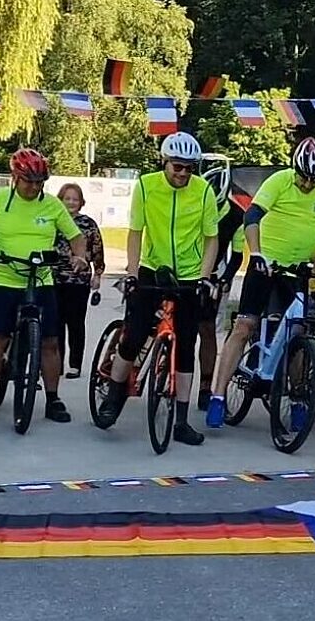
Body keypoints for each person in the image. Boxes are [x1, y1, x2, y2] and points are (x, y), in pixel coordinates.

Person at [206, 137, 315, 429]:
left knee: (296, 333)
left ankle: (297, 399)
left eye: (313, 180)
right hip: (266, 263)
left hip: (298, 270)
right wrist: (256, 253)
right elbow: (253, 216)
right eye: (303, 178)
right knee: (244, 326)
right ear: (295, 170)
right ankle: (217, 396)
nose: (307, 184)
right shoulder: (280, 181)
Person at [96, 132, 218, 445]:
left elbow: (210, 239)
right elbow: (135, 232)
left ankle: (181, 420)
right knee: (134, 337)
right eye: (178, 166)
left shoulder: (203, 191)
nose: (183, 174)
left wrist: (205, 276)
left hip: (190, 275)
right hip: (152, 270)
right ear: (164, 162)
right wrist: (133, 273)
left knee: (186, 346)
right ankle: (113, 397)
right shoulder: (147, 185)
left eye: (190, 168)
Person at [0, 149, 87, 428]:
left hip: (41, 279)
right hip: (6, 279)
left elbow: (75, 236)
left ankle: (53, 398)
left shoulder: (52, 205)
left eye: (39, 182)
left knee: (50, 342)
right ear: (15, 177)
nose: (34, 187)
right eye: (28, 181)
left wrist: (79, 255)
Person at [196, 165, 246, 410]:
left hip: (212, 274)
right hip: (183, 270)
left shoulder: (236, 215)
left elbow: (237, 256)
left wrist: (225, 279)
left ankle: (205, 388)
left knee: (206, 329)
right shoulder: (193, 202)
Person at [53, 182, 105, 380]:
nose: (71, 202)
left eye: (75, 199)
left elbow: (98, 248)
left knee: (75, 323)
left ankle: (75, 365)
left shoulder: (88, 224)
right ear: (60, 200)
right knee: (55, 323)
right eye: (67, 198)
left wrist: (98, 273)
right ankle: (55, 364)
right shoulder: (53, 221)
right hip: (54, 277)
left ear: (81, 202)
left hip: (79, 281)